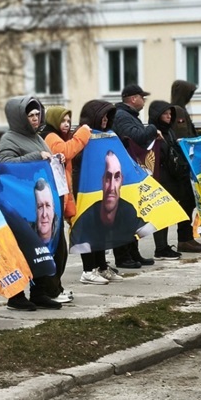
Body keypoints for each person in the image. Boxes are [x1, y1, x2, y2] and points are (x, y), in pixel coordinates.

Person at [0, 95, 64, 309]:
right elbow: (4, 165)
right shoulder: (9, 139)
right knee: (23, 250)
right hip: (21, 207)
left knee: (47, 249)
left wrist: (56, 159)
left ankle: (39, 292)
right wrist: (36, 156)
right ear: (20, 117)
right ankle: (16, 296)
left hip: (41, 206)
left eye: (37, 114)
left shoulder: (38, 137)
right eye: (30, 115)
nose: (35, 118)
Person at [41, 104, 91, 303]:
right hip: (51, 203)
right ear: (54, 120)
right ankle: (52, 290)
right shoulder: (51, 137)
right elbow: (66, 152)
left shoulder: (58, 136)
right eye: (63, 120)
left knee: (60, 251)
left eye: (69, 120)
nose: (67, 124)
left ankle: (56, 288)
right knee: (57, 251)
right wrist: (83, 134)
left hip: (59, 201)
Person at [71, 100, 121, 285]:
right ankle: (88, 270)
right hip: (84, 188)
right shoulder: (82, 135)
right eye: (103, 116)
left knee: (101, 229)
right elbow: (77, 158)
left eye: (109, 116)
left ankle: (101, 266)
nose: (106, 120)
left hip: (100, 188)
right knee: (88, 228)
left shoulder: (107, 135)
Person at [111, 85, 159, 268]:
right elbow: (136, 137)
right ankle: (123, 257)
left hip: (129, 172)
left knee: (132, 214)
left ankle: (133, 253)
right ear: (132, 99)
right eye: (141, 97)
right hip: (123, 174)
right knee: (124, 215)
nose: (144, 100)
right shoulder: (122, 116)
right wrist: (153, 127)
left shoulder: (127, 116)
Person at [68, 150, 147, 253]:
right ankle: (93, 267)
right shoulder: (86, 217)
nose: (112, 187)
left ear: (122, 180)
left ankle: (104, 266)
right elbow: (78, 245)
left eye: (117, 177)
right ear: (101, 180)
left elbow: (147, 227)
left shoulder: (128, 209)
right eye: (108, 178)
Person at [148, 100, 197, 258]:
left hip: (173, 177)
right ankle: (160, 248)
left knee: (171, 211)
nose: (169, 117)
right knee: (162, 213)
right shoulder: (153, 133)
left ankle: (167, 245)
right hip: (161, 178)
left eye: (170, 114)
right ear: (157, 115)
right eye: (165, 114)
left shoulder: (168, 131)